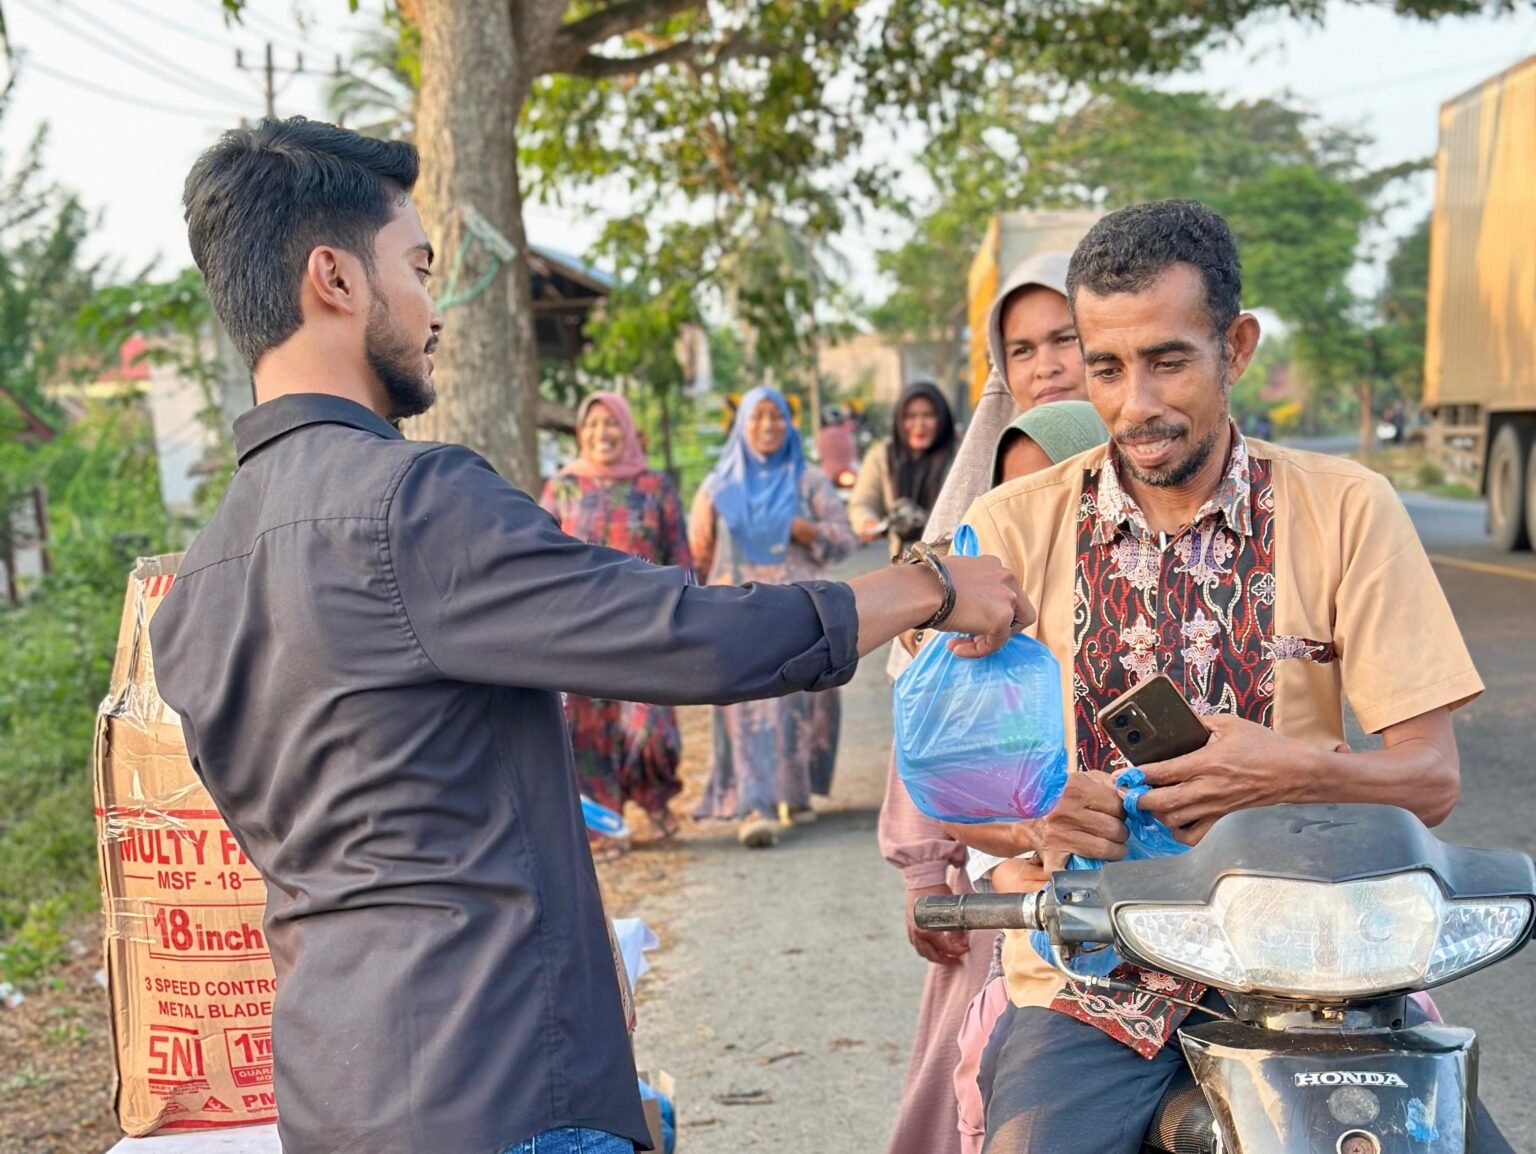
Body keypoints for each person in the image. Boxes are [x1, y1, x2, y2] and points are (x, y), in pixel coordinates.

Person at [149, 118, 1025, 1154]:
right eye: (418, 268)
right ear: (334, 278)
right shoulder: (413, 504)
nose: (434, 310)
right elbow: (688, 632)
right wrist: (925, 584)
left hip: (332, 1090)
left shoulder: (192, 587)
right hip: (499, 1075)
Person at [954, 199, 1507, 1153]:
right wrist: (1037, 819)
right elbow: (960, 791)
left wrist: (1293, 774)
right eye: (1107, 367)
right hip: (1093, 986)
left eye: (1169, 361)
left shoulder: (1347, 509)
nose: (1136, 404)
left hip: (1324, 976)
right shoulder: (1009, 528)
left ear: (1236, 347)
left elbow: (1432, 779)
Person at [877, 252, 1091, 1154]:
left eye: (1068, 340)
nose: (1046, 366)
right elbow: (935, 705)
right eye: (1021, 350)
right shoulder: (988, 516)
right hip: (1020, 888)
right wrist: (932, 865)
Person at [688, 386, 856, 847]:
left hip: (801, 609)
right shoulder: (718, 488)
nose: (767, 426)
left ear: (789, 424)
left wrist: (802, 529)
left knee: (799, 702)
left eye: (777, 417)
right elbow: (696, 553)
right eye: (757, 417)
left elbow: (845, 541)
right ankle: (753, 805)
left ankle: (793, 792)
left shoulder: (809, 483)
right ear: (740, 425)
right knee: (747, 708)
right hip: (737, 611)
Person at [539, 392, 689, 855]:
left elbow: (680, 556)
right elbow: (542, 554)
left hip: (645, 625)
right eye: (592, 426)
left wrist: (687, 608)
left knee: (648, 728)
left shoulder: (655, 487)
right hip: (581, 627)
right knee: (587, 731)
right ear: (581, 433)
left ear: (627, 430)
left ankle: (652, 792)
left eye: (612, 425)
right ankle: (605, 828)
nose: (602, 434)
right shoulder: (562, 487)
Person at [850, 381, 958, 558]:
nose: (919, 424)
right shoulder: (881, 456)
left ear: (942, 418)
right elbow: (863, 502)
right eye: (910, 416)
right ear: (899, 419)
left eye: (928, 415)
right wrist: (867, 521)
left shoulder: (959, 456)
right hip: (902, 562)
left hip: (952, 561)